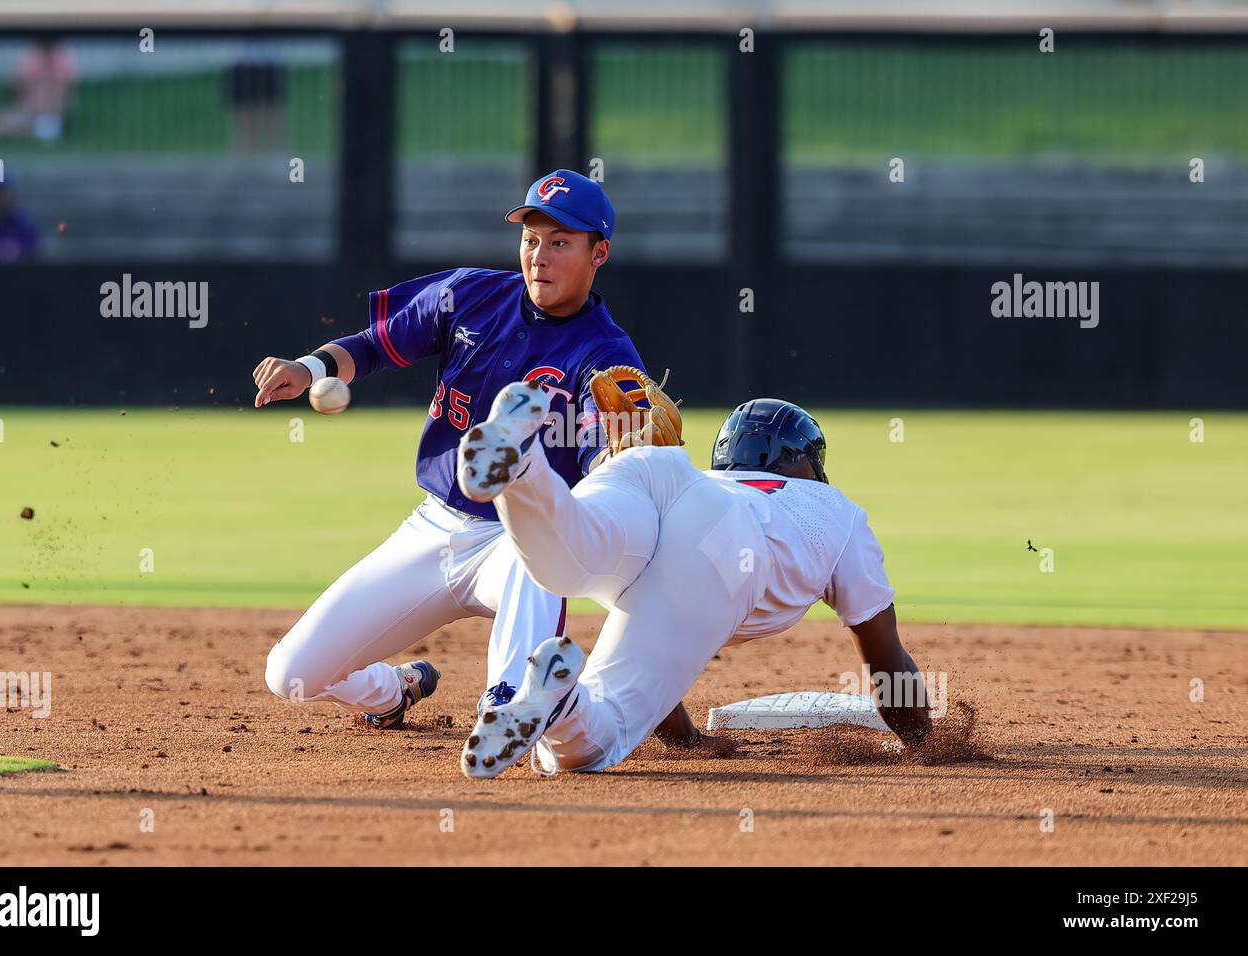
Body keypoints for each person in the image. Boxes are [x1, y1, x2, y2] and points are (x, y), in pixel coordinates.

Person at [257, 170, 649, 729]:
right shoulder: (467, 295)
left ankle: (508, 705)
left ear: (599, 252)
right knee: (289, 672)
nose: (539, 255)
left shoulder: (607, 353)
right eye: (531, 239)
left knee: (536, 555)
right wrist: (310, 366)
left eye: (560, 242)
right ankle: (390, 691)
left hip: (521, 540)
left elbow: (603, 458)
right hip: (432, 530)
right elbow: (373, 346)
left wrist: (616, 459)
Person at [456, 383, 933, 777]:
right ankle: (563, 710)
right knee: (590, 745)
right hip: (725, 535)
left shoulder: (705, 473)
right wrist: (925, 742)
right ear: (804, 463)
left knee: (560, 558)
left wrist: (687, 741)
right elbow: (884, 655)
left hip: (653, 470)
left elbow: (660, 644)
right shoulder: (835, 509)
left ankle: (525, 470)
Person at [0, 38, 75, 142]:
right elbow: (15, 85)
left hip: (50, 115)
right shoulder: (32, 57)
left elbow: (65, 94)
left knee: (45, 131)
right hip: (29, 111)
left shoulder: (60, 58)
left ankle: (21, 131)